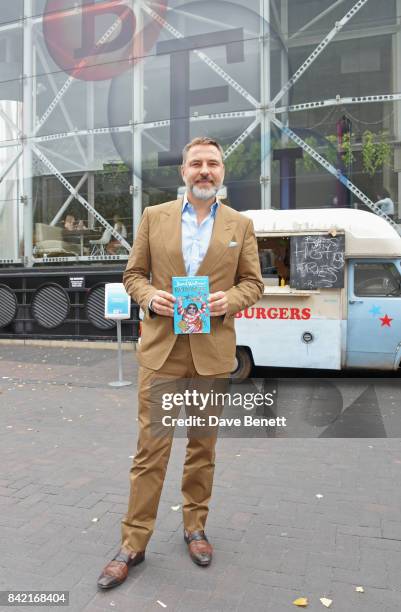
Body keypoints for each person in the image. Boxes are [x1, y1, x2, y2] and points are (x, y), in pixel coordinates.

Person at [97, 136, 264, 589]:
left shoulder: (240, 225)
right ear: (183, 172)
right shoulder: (154, 217)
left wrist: (227, 300)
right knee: (151, 451)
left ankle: (195, 527)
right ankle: (134, 542)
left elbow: (254, 283)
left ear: (222, 171)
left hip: (211, 356)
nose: (204, 170)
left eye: (212, 163)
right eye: (196, 164)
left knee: (202, 448)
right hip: (162, 353)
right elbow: (132, 275)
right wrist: (151, 297)